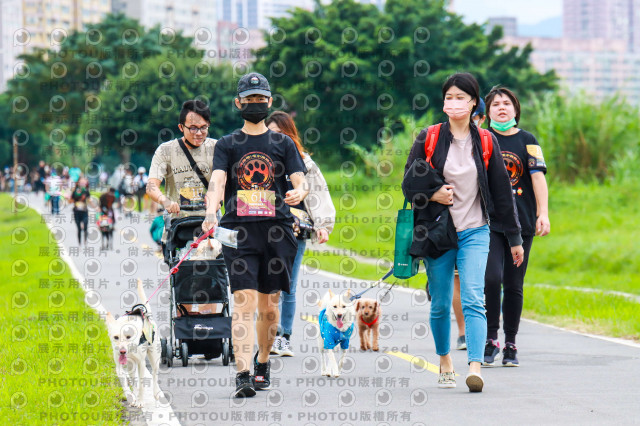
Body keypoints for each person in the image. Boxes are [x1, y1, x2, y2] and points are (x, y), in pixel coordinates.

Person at [404, 72, 523, 392]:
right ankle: (445, 361)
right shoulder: (428, 138)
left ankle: (474, 367)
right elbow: (408, 184)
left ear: (473, 103)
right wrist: (433, 194)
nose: (454, 103)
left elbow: (502, 192)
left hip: (475, 230)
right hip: (437, 232)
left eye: (460, 98)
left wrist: (514, 238)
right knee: (441, 303)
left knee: (473, 298)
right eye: (449, 97)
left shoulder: (485, 141)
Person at [201, 72, 309, 398]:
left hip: (277, 232)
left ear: (270, 101)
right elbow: (218, 181)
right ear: (238, 104)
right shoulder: (227, 144)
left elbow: (300, 178)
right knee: (243, 302)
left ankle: (263, 362)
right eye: (249, 100)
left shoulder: (283, 143)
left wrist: (299, 192)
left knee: (270, 307)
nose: (255, 104)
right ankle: (243, 373)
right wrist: (211, 212)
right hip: (239, 232)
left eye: (260, 99)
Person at [483, 86, 550, 367]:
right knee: (491, 279)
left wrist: (543, 213)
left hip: (522, 223)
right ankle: (491, 339)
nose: (501, 107)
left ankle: (510, 343)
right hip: (488, 223)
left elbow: (537, 177)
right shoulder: (482, 138)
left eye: (507, 103)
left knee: (513, 283)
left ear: (515, 109)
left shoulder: (528, 140)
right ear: (487, 111)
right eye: (495, 104)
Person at [266, 111, 336, 357]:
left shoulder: (304, 162)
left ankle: (284, 337)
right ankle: (268, 335)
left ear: (290, 134)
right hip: (265, 230)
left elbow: (318, 194)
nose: (276, 138)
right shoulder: (260, 160)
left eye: (280, 133)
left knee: (289, 286)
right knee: (267, 287)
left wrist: (323, 225)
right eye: (270, 133)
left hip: (295, 231)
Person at [147, 100, 217, 241]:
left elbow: (224, 181)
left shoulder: (217, 148)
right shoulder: (166, 150)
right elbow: (151, 186)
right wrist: (165, 201)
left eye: (203, 127)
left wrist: (216, 202)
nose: (199, 133)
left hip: (210, 220)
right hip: (177, 221)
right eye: (193, 128)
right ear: (181, 127)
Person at [452, 98, 487, 351]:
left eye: (474, 116)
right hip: (451, 227)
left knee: (482, 284)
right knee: (457, 283)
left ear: (482, 118)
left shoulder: (488, 143)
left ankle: (486, 335)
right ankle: (463, 332)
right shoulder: (442, 141)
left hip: (483, 225)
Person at [68, 177, 91, 246]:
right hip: (77, 211)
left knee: (85, 225)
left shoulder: (86, 191)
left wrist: (96, 207)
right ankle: (79, 243)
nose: (83, 183)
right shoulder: (75, 191)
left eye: (84, 182)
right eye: (82, 182)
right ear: (78, 183)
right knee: (79, 228)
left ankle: (85, 241)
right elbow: (70, 200)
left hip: (84, 211)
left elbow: (89, 200)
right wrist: (70, 199)